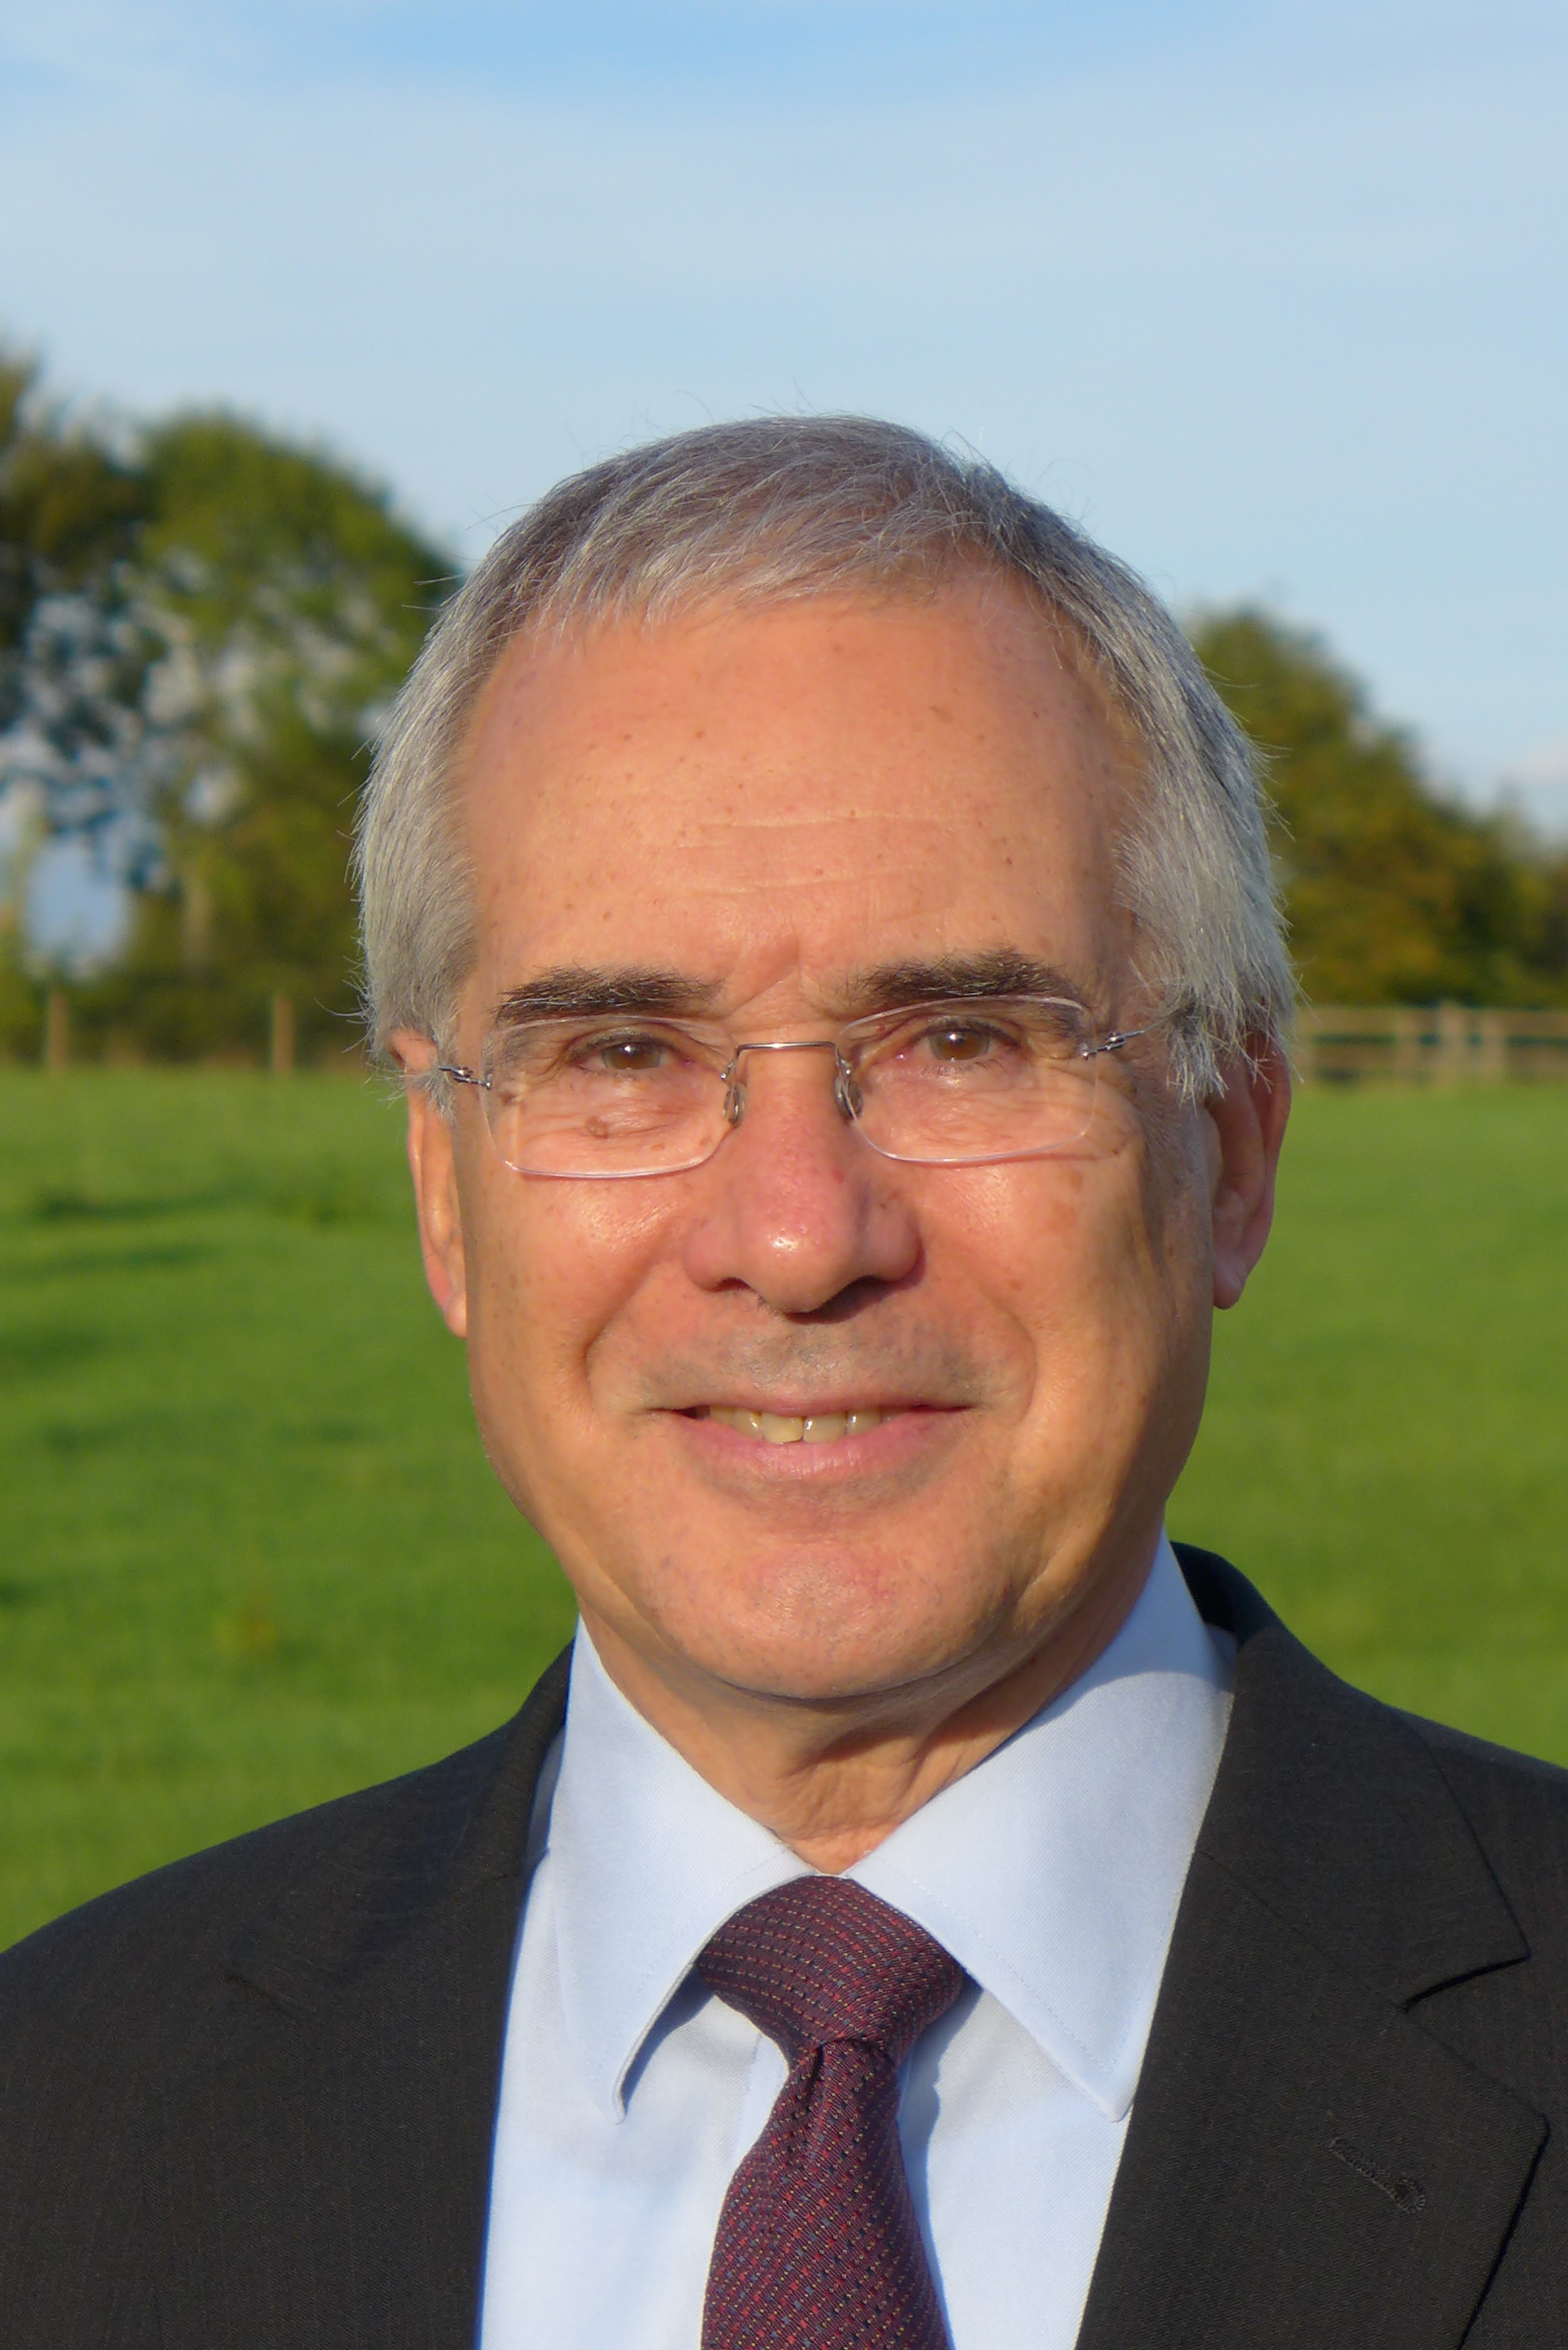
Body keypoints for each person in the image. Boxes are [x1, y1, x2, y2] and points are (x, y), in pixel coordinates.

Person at [0, 418, 1563, 2350]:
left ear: (1230, 1152)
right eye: (625, 1056)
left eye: (968, 1040)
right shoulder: (56, 2125)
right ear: (442, 1195)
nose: (801, 1234)